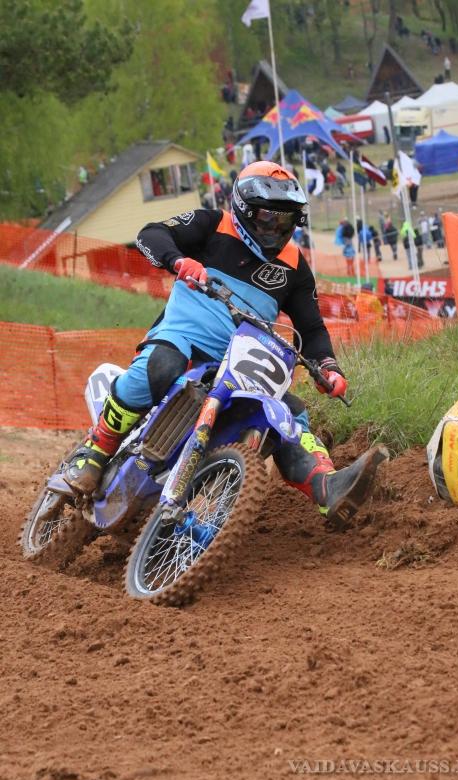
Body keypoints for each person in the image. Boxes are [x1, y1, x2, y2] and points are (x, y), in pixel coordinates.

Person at [64, 161, 387, 528]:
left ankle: (326, 485)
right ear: (244, 209)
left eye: (284, 220)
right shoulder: (212, 224)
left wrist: (328, 366)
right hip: (182, 338)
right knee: (162, 366)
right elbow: (151, 234)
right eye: (267, 217)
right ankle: (96, 448)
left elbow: (311, 330)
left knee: (289, 412)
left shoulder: (295, 266)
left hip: (240, 362)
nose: (274, 228)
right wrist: (179, 261)